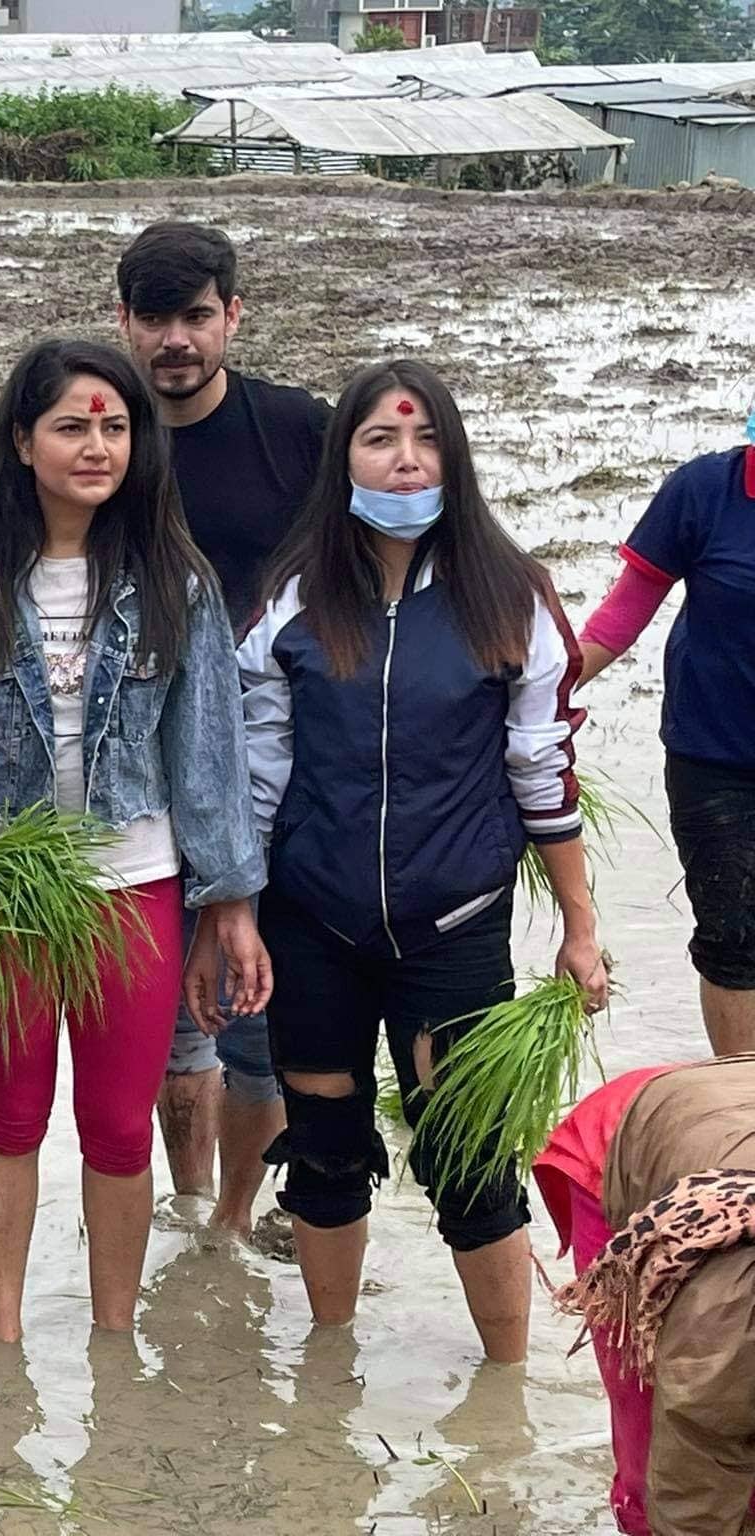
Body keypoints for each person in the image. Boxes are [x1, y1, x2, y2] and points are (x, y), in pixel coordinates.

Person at [0, 339, 270, 1339]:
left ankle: (109, 1337)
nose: (95, 446)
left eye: (114, 427)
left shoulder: (174, 585)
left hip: (131, 886)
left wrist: (231, 910)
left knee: (117, 1126)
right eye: (70, 426)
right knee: (6, 1114)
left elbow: (207, 761)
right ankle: (1, 1339)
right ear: (20, 441)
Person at [240, 359, 608, 1362]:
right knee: (320, 1150)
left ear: (453, 456)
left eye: (424, 441)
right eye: (378, 441)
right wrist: (227, 912)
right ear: (341, 459)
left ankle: (505, 1389)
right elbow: (257, 774)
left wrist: (578, 930)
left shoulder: (511, 596)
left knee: (468, 1157)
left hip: (451, 929)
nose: (403, 463)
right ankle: (329, 1369)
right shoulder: (292, 597)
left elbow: (541, 769)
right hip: (309, 922)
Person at [117, 220, 332, 1237]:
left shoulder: (295, 429)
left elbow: (387, 532)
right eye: (153, 319)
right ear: (121, 322)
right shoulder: (103, 433)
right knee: (167, 1022)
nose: (174, 341)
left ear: (231, 317)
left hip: (269, 757)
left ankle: (242, 1217)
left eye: (194, 317)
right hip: (133, 758)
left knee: (252, 1001)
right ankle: (190, 1201)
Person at [576, 431, 755, 1056]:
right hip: (716, 764)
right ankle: (741, 1118)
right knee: (734, 940)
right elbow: (624, 613)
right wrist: (536, 698)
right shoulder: (707, 490)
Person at [544, 1057, 755, 1536]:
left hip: (725, 1118)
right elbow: (694, 1489)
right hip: (626, 1140)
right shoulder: (729, 1310)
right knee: (663, 1453)